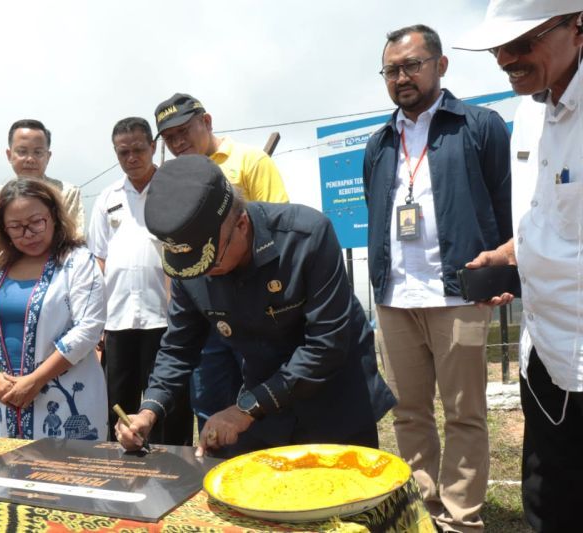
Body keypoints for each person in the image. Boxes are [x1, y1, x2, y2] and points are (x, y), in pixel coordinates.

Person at [116, 156, 392, 458]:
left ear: (241, 224)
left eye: (211, 262)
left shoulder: (306, 237)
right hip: (265, 403)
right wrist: (149, 410)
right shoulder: (191, 267)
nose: (203, 275)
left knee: (342, 485)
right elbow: (179, 347)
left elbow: (326, 345)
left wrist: (245, 409)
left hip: (335, 399)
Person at [362, 24, 512, 532]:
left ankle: (462, 518)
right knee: (408, 412)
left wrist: (503, 275)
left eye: (412, 65)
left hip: (460, 295)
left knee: (465, 412)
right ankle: (423, 511)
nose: (401, 77)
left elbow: (503, 202)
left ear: (440, 65)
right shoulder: (379, 143)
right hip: (395, 299)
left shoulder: (479, 125)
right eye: (391, 70)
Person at [456, 2, 583, 530]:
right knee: (546, 502)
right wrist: (508, 255)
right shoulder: (529, 111)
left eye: (522, 42)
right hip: (543, 354)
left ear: (578, 27)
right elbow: (548, 216)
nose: (506, 58)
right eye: (497, 48)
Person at [154, 93, 289, 434]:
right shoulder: (172, 181)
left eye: (183, 131)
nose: (177, 142)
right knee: (209, 401)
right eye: (169, 138)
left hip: (254, 308)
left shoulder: (250, 161)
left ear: (207, 121)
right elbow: (174, 250)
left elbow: (277, 228)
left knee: (260, 398)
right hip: (205, 309)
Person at [0, 179, 107, 440]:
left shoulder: (78, 262)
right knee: (3, 465)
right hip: (2, 397)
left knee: (62, 466)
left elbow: (88, 328)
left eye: (36, 222)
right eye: (16, 227)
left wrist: (36, 380)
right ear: (3, 229)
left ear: (54, 216)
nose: (28, 234)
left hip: (65, 400)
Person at [88, 117, 190, 445]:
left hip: (164, 318)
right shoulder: (107, 198)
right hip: (118, 319)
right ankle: (122, 465)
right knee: (118, 403)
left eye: (138, 149)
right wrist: (98, 319)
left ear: (153, 147)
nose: (131, 158)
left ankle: (174, 464)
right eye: (123, 152)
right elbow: (99, 258)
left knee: (170, 404)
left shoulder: (173, 190)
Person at [0, 119, 85, 262]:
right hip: (5, 271)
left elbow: (74, 239)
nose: (30, 159)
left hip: (56, 270)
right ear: (9, 155)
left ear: (48, 157)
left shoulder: (67, 193)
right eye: (22, 152)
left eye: (38, 152)